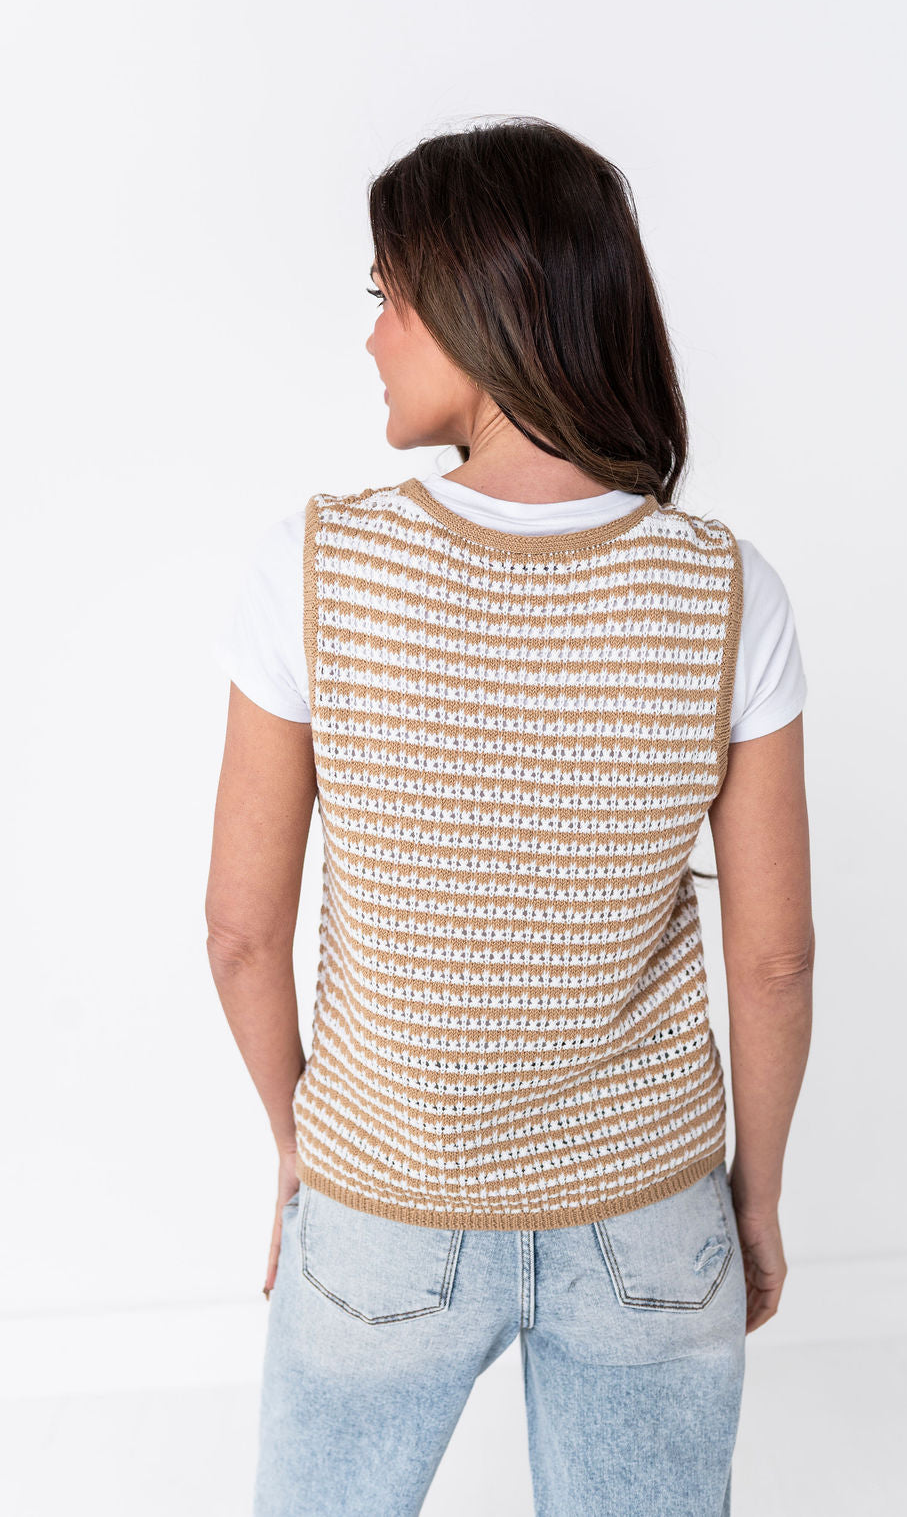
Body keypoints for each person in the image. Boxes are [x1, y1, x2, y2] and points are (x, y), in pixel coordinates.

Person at [205, 116, 814, 1517]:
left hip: (382, 1198)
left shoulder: (317, 567)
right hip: (652, 1215)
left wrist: (304, 1158)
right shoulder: (728, 589)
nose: (370, 337)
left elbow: (240, 931)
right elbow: (777, 960)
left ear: (486, 306)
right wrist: (756, 1198)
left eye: (391, 298)